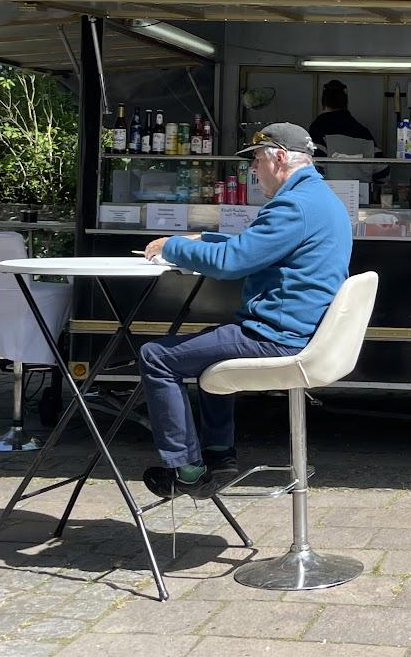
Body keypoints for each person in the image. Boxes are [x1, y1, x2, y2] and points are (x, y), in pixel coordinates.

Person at [139, 122, 352, 499]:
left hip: (278, 337)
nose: (253, 170)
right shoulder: (319, 198)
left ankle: (185, 470)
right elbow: (258, 244)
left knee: (156, 356)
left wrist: (171, 246)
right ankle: (219, 455)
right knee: (208, 348)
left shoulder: (293, 205)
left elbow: (232, 262)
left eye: (256, 161)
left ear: (280, 159)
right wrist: (205, 237)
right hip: (305, 331)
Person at [309, 79, 376, 156]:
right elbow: (381, 165)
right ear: (346, 103)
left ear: (323, 103)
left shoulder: (317, 129)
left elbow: (316, 162)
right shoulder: (363, 132)